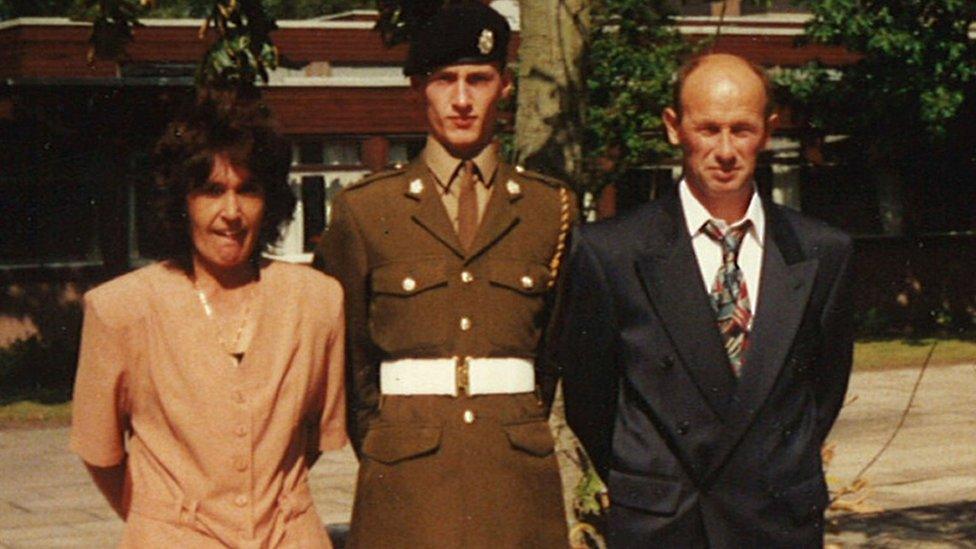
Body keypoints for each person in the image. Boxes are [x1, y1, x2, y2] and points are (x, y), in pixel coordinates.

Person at [554, 53, 855, 547]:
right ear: (674, 128)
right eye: (708, 129)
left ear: (768, 130)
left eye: (742, 129)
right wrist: (650, 479)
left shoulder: (823, 252)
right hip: (666, 523)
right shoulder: (611, 251)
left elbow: (822, 392)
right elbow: (590, 399)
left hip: (776, 519)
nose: (725, 150)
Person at [313, 2, 577, 547]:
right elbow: (350, 358)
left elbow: (551, 353)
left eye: (478, 80)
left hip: (515, 477)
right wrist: (391, 439)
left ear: (504, 86)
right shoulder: (366, 211)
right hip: (405, 478)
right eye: (444, 80)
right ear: (418, 88)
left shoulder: (549, 208)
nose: (462, 99)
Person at [70, 88, 347, 548]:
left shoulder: (317, 301)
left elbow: (314, 439)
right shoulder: (120, 309)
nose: (232, 213)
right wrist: (167, 520)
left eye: (248, 190)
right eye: (212, 191)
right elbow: (102, 456)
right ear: (182, 200)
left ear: (271, 200)